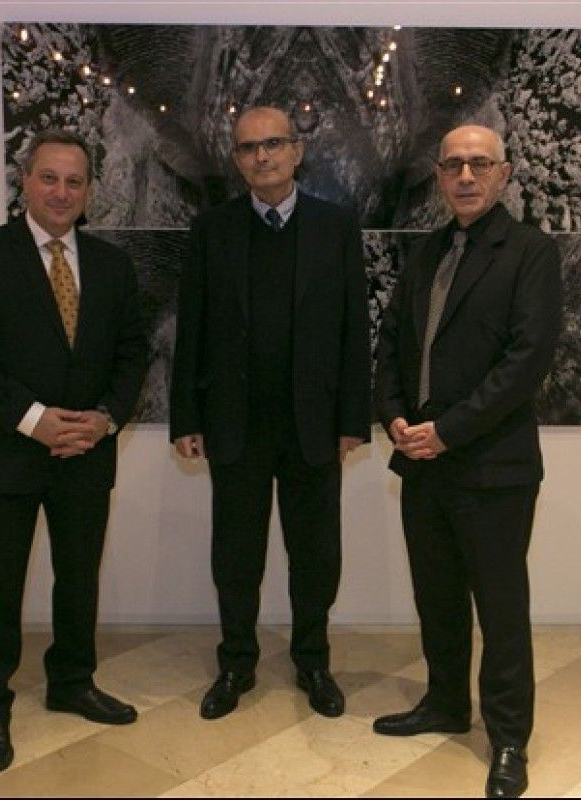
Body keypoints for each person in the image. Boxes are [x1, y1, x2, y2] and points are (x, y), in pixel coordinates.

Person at [0, 130, 148, 773]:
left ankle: (72, 682)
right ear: (25, 181)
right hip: (2, 454)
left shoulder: (112, 266)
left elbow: (133, 354)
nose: (62, 192)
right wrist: (34, 422)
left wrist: (104, 420)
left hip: (86, 453)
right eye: (49, 178)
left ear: (89, 191)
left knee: (79, 579)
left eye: (75, 181)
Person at [373, 125, 562, 798]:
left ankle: (508, 738)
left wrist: (447, 431)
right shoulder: (427, 253)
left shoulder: (532, 252)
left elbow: (526, 361)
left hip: (494, 467)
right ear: (438, 175)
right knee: (438, 597)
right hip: (423, 461)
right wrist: (395, 416)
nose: (465, 176)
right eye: (453, 164)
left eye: (479, 164)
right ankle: (446, 702)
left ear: (504, 173)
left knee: (501, 609)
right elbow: (392, 343)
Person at [170, 106, 369, 721]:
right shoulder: (212, 230)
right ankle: (236, 662)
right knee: (236, 556)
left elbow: (353, 327)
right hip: (235, 424)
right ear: (236, 160)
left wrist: (352, 420)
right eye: (248, 147)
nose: (262, 156)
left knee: (316, 554)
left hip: (314, 425)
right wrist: (186, 417)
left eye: (273, 144)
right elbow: (192, 328)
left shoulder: (336, 226)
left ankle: (313, 661)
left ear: (297, 151)